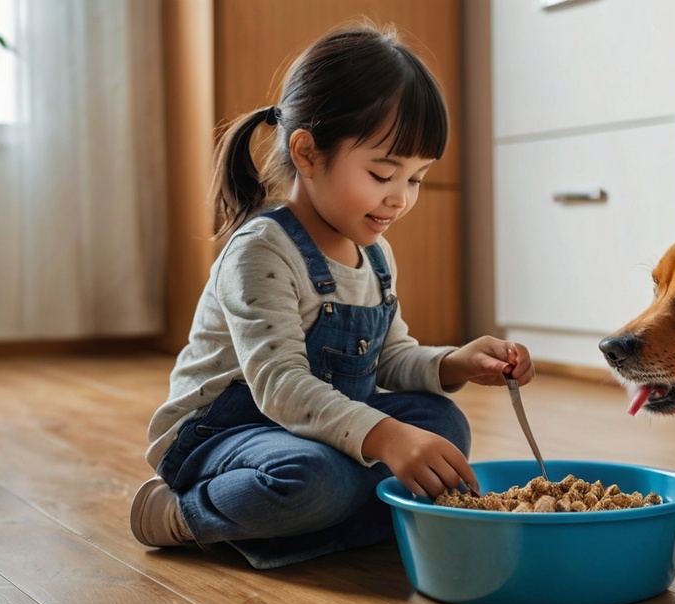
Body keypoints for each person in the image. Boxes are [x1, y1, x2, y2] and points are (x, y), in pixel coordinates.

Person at [130, 22, 534, 569]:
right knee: (311, 479)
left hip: (321, 427)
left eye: (415, 179)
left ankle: (323, 522)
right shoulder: (261, 252)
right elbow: (280, 385)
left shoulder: (375, 255)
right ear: (307, 152)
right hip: (224, 435)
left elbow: (389, 358)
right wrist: (387, 438)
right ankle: (185, 514)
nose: (400, 199)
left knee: (443, 424)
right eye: (382, 173)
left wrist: (455, 363)